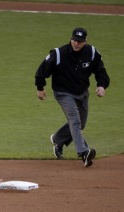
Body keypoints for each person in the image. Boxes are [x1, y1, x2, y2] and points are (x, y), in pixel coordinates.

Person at [34, 27, 110, 167]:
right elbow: (42, 70)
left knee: (81, 122)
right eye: (74, 40)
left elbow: (101, 71)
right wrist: (40, 88)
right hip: (63, 92)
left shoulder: (92, 53)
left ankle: (58, 139)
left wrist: (102, 85)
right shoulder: (59, 53)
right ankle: (84, 152)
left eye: (79, 41)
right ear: (71, 39)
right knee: (74, 119)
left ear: (85, 41)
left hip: (82, 92)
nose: (76, 43)